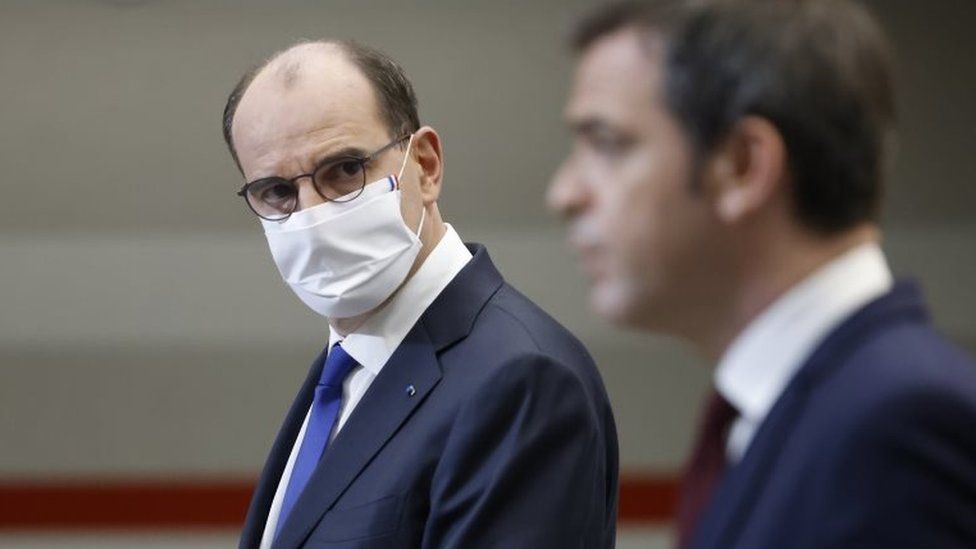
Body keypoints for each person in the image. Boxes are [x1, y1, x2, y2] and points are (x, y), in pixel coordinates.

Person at [548, 1, 976, 548]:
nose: (564, 193)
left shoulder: (898, 425)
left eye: (607, 143)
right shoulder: (790, 412)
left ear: (744, 167)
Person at [222, 40, 618, 548]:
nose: (312, 214)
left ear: (426, 165)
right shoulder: (346, 368)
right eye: (276, 191)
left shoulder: (521, 378)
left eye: (344, 170)